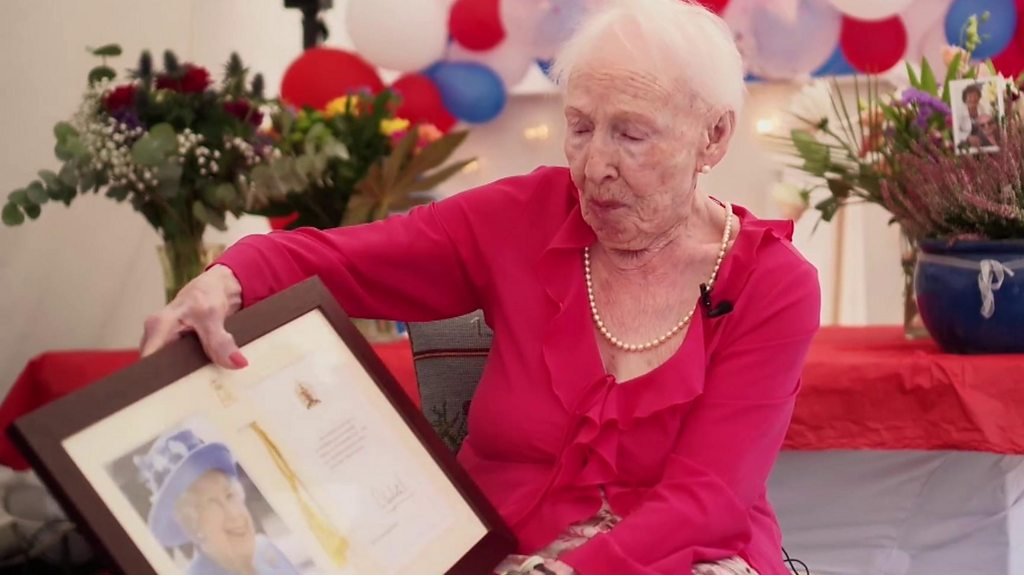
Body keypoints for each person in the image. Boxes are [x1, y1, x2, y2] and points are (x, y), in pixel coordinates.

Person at [139, 0, 821, 573]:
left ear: (715, 137)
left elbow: (710, 497)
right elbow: (342, 262)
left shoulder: (772, 283)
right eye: (580, 127)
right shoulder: (519, 219)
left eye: (632, 135)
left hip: (685, 558)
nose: (596, 166)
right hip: (501, 550)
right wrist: (228, 278)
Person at [133, 427, 300, 575]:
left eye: (230, 495)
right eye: (211, 503)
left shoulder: (265, 549)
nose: (234, 514)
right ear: (192, 526)